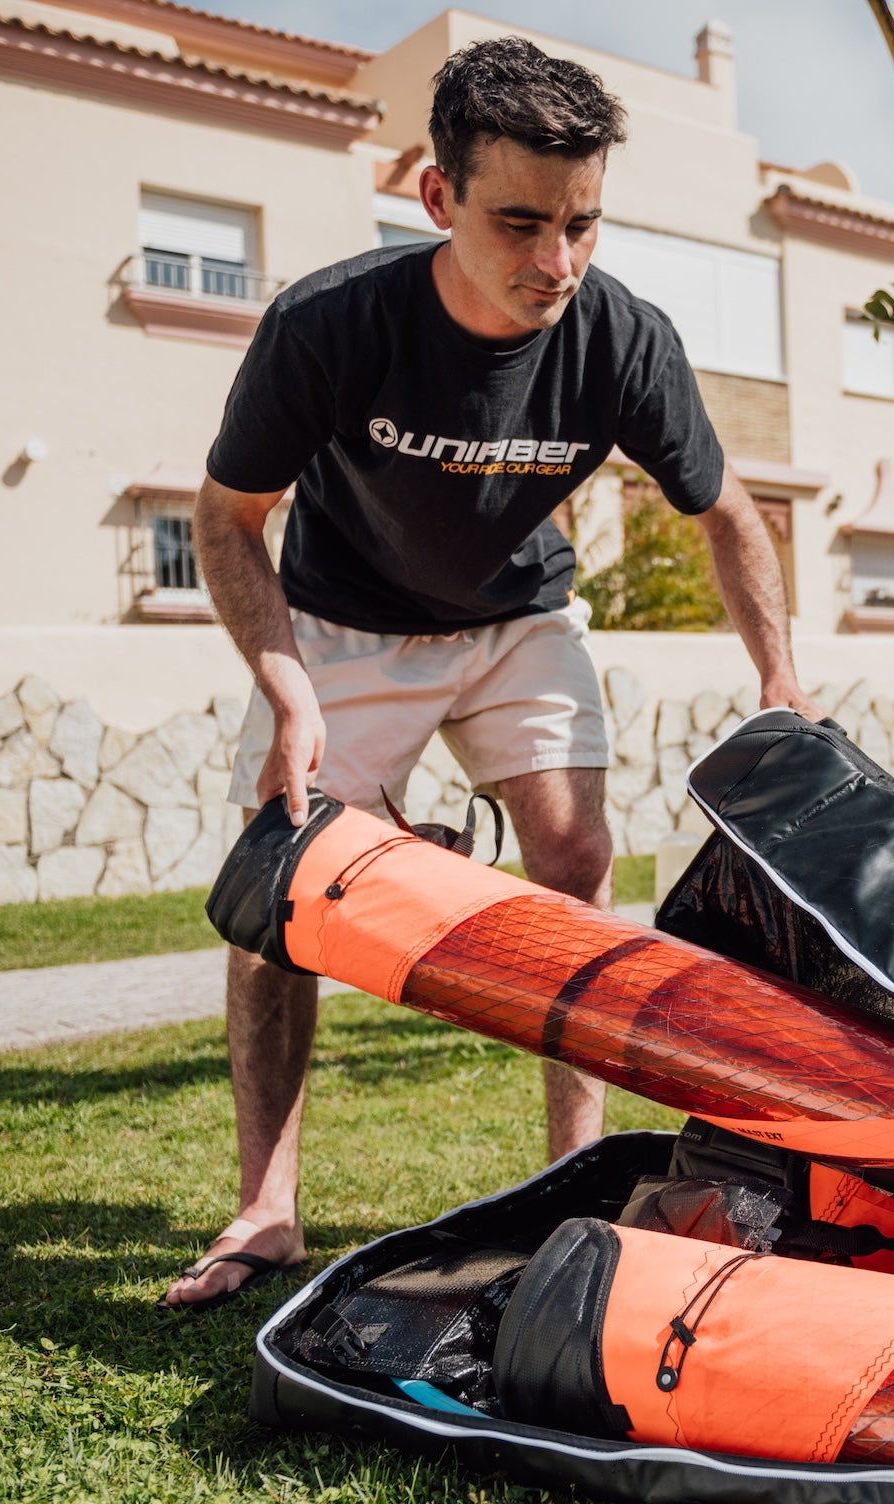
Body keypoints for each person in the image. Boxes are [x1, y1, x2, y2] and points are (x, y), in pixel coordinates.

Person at [167, 37, 820, 1308]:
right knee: (272, 897)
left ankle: (570, 1180)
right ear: (436, 197)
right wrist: (289, 687)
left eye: (581, 224)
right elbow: (227, 519)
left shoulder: (621, 336)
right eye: (520, 222)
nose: (555, 262)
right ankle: (266, 1207)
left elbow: (730, 513)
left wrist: (780, 677)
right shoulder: (330, 322)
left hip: (518, 616)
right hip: (344, 622)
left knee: (575, 863)